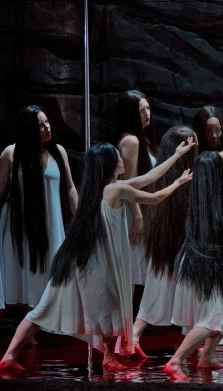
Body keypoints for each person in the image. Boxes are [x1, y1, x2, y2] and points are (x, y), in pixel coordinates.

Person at [0, 138, 195, 371]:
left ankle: (106, 358)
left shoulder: (102, 189)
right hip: (87, 266)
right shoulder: (115, 189)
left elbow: (149, 177)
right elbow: (153, 197)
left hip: (77, 261)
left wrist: (175, 155)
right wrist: (178, 183)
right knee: (102, 306)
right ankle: (12, 356)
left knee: (49, 309)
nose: (122, 158)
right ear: (109, 163)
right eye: (117, 156)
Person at [163, 151, 223, 380]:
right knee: (212, 319)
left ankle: (206, 359)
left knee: (217, 313)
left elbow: (220, 183)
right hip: (211, 266)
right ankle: (175, 361)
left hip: (199, 262)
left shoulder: (199, 202)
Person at [0, 106, 77, 316]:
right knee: (23, 272)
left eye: (47, 122)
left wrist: (81, 218)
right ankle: (27, 326)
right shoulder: (11, 153)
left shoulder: (58, 151)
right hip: (20, 223)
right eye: (40, 125)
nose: (47, 128)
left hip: (52, 222)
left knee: (52, 270)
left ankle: (41, 324)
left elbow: (70, 188)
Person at [132, 126, 199, 358]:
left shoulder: (162, 175)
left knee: (157, 286)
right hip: (178, 242)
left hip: (165, 242)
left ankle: (135, 334)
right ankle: (191, 339)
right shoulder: (185, 176)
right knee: (181, 287)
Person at [115, 89, 158, 287]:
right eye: (142, 110)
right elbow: (128, 182)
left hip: (139, 209)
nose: (147, 113)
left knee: (135, 271)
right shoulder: (131, 141)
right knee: (130, 271)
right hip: (131, 213)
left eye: (148, 108)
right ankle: (126, 318)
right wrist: (138, 218)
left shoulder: (143, 139)